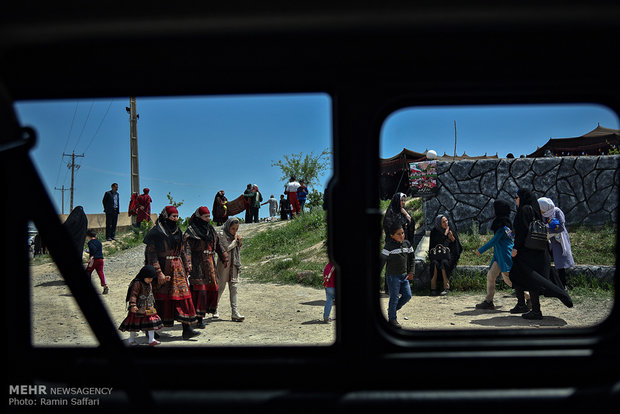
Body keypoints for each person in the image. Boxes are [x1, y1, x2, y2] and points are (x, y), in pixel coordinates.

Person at [509, 189, 573, 320]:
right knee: (529, 278)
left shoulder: (524, 210)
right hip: (538, 250)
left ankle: (534, 309)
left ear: (522, 198)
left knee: (530, 278)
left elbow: (523, 232)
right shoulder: (535, 209)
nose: (515, 200)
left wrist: (515, 248)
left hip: (527, 252)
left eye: (516, 197)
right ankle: (526, 305)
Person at [143, 206, 199, 339]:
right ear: (166, 216)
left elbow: (182, 250)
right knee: (159, 299)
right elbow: (151, 254)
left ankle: (187, 329)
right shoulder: (156, 232)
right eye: (173, 216)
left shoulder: (178, 231)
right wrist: (158, 272)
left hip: (178, 269)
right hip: (163, 269)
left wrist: (187, 264)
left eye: (177, 216)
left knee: (184, 297)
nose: (175, 219)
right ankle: (151, 329)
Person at [184, 206, 229, 328]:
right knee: (200, 291)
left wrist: (224, 256)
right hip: (197, 265)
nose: (208, 219)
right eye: (205, 217)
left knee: (212, 288)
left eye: (209, 216)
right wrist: (188, 263)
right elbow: (186, 248)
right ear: (199, 217)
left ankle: (203, 314)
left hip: (210, 264)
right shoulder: (191, 231)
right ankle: (197, 318)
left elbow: (218, 244)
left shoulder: (210, 229)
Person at [474, 200, 514, 309]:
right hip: (500, 256)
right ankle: (488, 301)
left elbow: (494, 241)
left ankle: (528, 297)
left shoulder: (503, 226)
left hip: (505, 256)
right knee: (491, 276)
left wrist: (480, 250)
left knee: (509, 280)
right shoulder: (505, 225)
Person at [119, 265, 163, 346]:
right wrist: (133, 305)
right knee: (133, 325)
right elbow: (133, 295)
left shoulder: (149, 283)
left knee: (151, 322)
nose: (150, 280)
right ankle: (131, 340)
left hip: (149, 307)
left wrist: (163, 281)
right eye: (149, 278)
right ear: (143, 276)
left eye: (152, 278)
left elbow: (154, 289)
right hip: (138, 308)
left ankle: (151, 340)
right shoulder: (137, 283)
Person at [380, 223, 414, 328]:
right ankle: (392, 319)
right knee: (394, 297)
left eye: (402, 233)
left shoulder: (407, 244)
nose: (401, 235)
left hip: (404, 276)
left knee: (408, 295)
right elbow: (382, 261)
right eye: (398, 234)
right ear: (392, 235)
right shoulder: (389, 246)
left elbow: (412, 259)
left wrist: (411, 272)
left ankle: (392, 310)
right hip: (392, 277)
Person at [538, 197, 574, 289]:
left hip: (559, 241)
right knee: (546, 262)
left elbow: (561, 227)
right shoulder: (542, 214)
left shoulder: (557, 211)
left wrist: (549, 230)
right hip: (548, 241)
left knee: (560, 265)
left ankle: (562, 285)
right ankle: (549, 285)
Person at [214, 217, 245, 322]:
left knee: (234, 287)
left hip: (234, 264)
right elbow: (225, 248)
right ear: (228, 227)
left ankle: (235, 312)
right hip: (224, 264)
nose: (235, 231)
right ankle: (215, 308)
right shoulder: (222, 234)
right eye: (233, 228)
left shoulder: (234, 236)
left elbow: (237, 249)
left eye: (237, 228)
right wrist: (235, 241)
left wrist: (239, 242)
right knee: (221, 287)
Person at [428, 214, 462, 296]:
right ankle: (433, 288)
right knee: (434, 264)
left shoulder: (451, 230)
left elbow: (458, 247)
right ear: (439, 223)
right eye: (443, 222)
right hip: (437, 255)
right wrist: (445, 235)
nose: (446, 223)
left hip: (448, 255)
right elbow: (433, 246)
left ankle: (446, 287)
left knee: (444, 262)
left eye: (446, 221)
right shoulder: (434, 232)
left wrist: (452, 239)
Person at [85, 229, 108, 294]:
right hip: (100, 259)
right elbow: (97, 250)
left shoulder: (90, 242)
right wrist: (90, 252)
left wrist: (91, 256)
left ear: (88, 236)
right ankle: (105, 286)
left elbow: (93, 249)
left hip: (94, 260)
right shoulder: (99, 242)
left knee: (88, 272)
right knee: (100, 272)